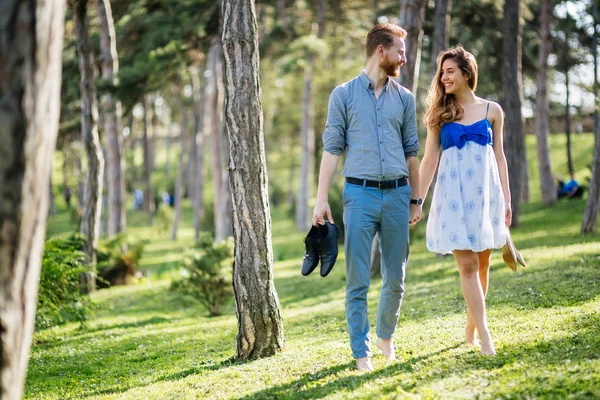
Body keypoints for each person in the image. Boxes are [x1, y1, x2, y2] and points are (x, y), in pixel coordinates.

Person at [312, 23, 422, 372]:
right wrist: (320, 200)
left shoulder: (404, 98)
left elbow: (411, 153)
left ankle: (385, 338)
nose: (404, 57)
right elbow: (331, 150)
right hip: (358, 196)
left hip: (396, 196)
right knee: (357, 279)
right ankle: (361, 353)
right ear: (380, 51)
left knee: (396, 278)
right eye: (400, 51)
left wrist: (416, 200)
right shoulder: (342, 95)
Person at [418, 46, 512, 356]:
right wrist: (417, 200)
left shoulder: (492, 111)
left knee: (483, 264)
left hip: (485, 195)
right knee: (468, 266)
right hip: (453, 196)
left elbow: (499, 158)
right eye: (441, 72)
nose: (443, 77)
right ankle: (486, 337)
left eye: (449, 71)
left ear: (466, 73)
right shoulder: (439, 115)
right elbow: (429, 159)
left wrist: (507, 200)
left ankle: (471, 329)